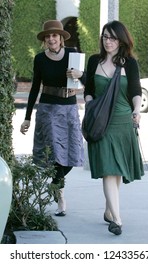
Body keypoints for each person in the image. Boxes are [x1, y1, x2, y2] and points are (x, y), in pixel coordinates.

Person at [84, 20, 144, 235]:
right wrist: (90, 105)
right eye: (105, 37)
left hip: (122, 120)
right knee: (109, 170)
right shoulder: (94, 61)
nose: (108, 41)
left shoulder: (129, 63)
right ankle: (117, 220)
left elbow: (136, 90)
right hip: (101, 122)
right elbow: (88, 89)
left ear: (121, 40)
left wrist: (136, 110)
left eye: (112, 37)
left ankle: (110, 212)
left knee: (116, 170)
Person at [20, 20, 85, 217]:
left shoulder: (73, 54)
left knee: (74, 153)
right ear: (45, 40)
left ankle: (55, 184)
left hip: (69, 109)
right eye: (48, 36)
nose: (51, 39)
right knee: (56, 154)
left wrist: (79, 79)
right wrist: (27, 117)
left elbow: (87, 80)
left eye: (54, 36)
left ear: (61, 38)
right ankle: (61, 197)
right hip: (48, 110)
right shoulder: (40, 59)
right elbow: (34, 88)